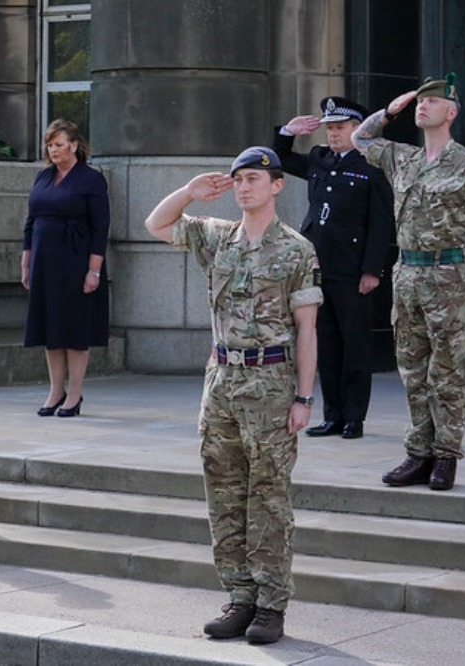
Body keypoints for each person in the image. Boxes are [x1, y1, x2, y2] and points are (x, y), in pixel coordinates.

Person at [144, 147, 322, 645]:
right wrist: (189, 192)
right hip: (221, 381)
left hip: (270, 383)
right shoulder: (217, 237)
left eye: (253, 179)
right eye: (238, 179)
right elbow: (156, 224)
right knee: (223, 495)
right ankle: (239, 596)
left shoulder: (296, 249)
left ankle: (270, 603)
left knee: (267, 495)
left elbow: (306, 329)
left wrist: (303, 398)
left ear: (277, 185)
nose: (244, 187)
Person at [352, 74, 465, 491]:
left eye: (431, 102)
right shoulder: (404, 158)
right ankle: (418, 452)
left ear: (450, 112)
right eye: (420, 102)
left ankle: (446, 455)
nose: (423, 106)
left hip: (449, 275)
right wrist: (389, 110)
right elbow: (361, 141)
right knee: (412, 369)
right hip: (408, 275)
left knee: (448, 371)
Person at [273, 97, 395, 440]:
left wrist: (373, 270)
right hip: (318, 265)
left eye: (340, 128)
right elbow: (278, 160)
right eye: (330, 128)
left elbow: (381, 222)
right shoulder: (319, 160)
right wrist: (286, 132)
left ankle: (354, 417)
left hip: (353, 269)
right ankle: (333, 415)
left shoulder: (371, 165)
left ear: (357, 129)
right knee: (325, 342)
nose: (333, 134)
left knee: (354, 345)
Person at [21, 119, 110, 417]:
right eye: (50, 144)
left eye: (59, 144)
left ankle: (74, 394)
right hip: (45, 262)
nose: (53, 150)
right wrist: (26, 262)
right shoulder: (43, 177)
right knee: (51, 329)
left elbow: (101, 228)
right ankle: (55, 391)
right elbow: (30, 222)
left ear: (74, 145)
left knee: (74, 330)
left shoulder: (91, 179)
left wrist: (93, 270)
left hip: (76, 262)